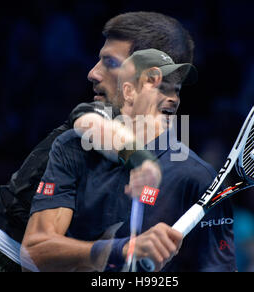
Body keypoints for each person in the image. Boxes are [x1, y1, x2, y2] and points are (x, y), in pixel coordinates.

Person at [0, 11, 212, 272]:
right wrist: (139, 159)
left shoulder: (178, 159)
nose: (93, 73)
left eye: (110, 63)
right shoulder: (96, 116)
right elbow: (90, 123)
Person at [21, 48, 236, 272]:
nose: (172, 99)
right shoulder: (72, 148)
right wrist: (123, 249)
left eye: (177, 90)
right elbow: (33, 253)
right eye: (161, 88)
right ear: (129, 91)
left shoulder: (197, 175)